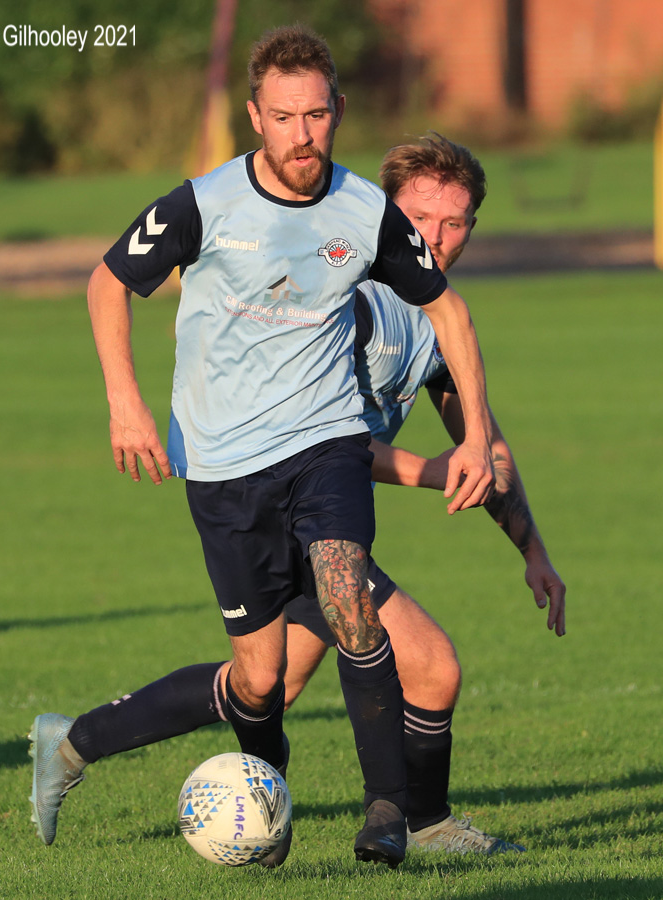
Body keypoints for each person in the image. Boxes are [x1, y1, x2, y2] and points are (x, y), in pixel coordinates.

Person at [28, 28, 496, 869]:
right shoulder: (203, 204)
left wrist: (481, 437)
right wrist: (124, 402)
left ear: (338, 112)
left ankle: (389, 816)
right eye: (283, 117)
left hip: (323, 448)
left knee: (349, 596)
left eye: (317, 115)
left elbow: (451, 314)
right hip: (223, 466)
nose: (302, 134)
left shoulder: (365, 211)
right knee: (258, 680)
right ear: (255, 116)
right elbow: (108, 283)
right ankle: (125, 753)